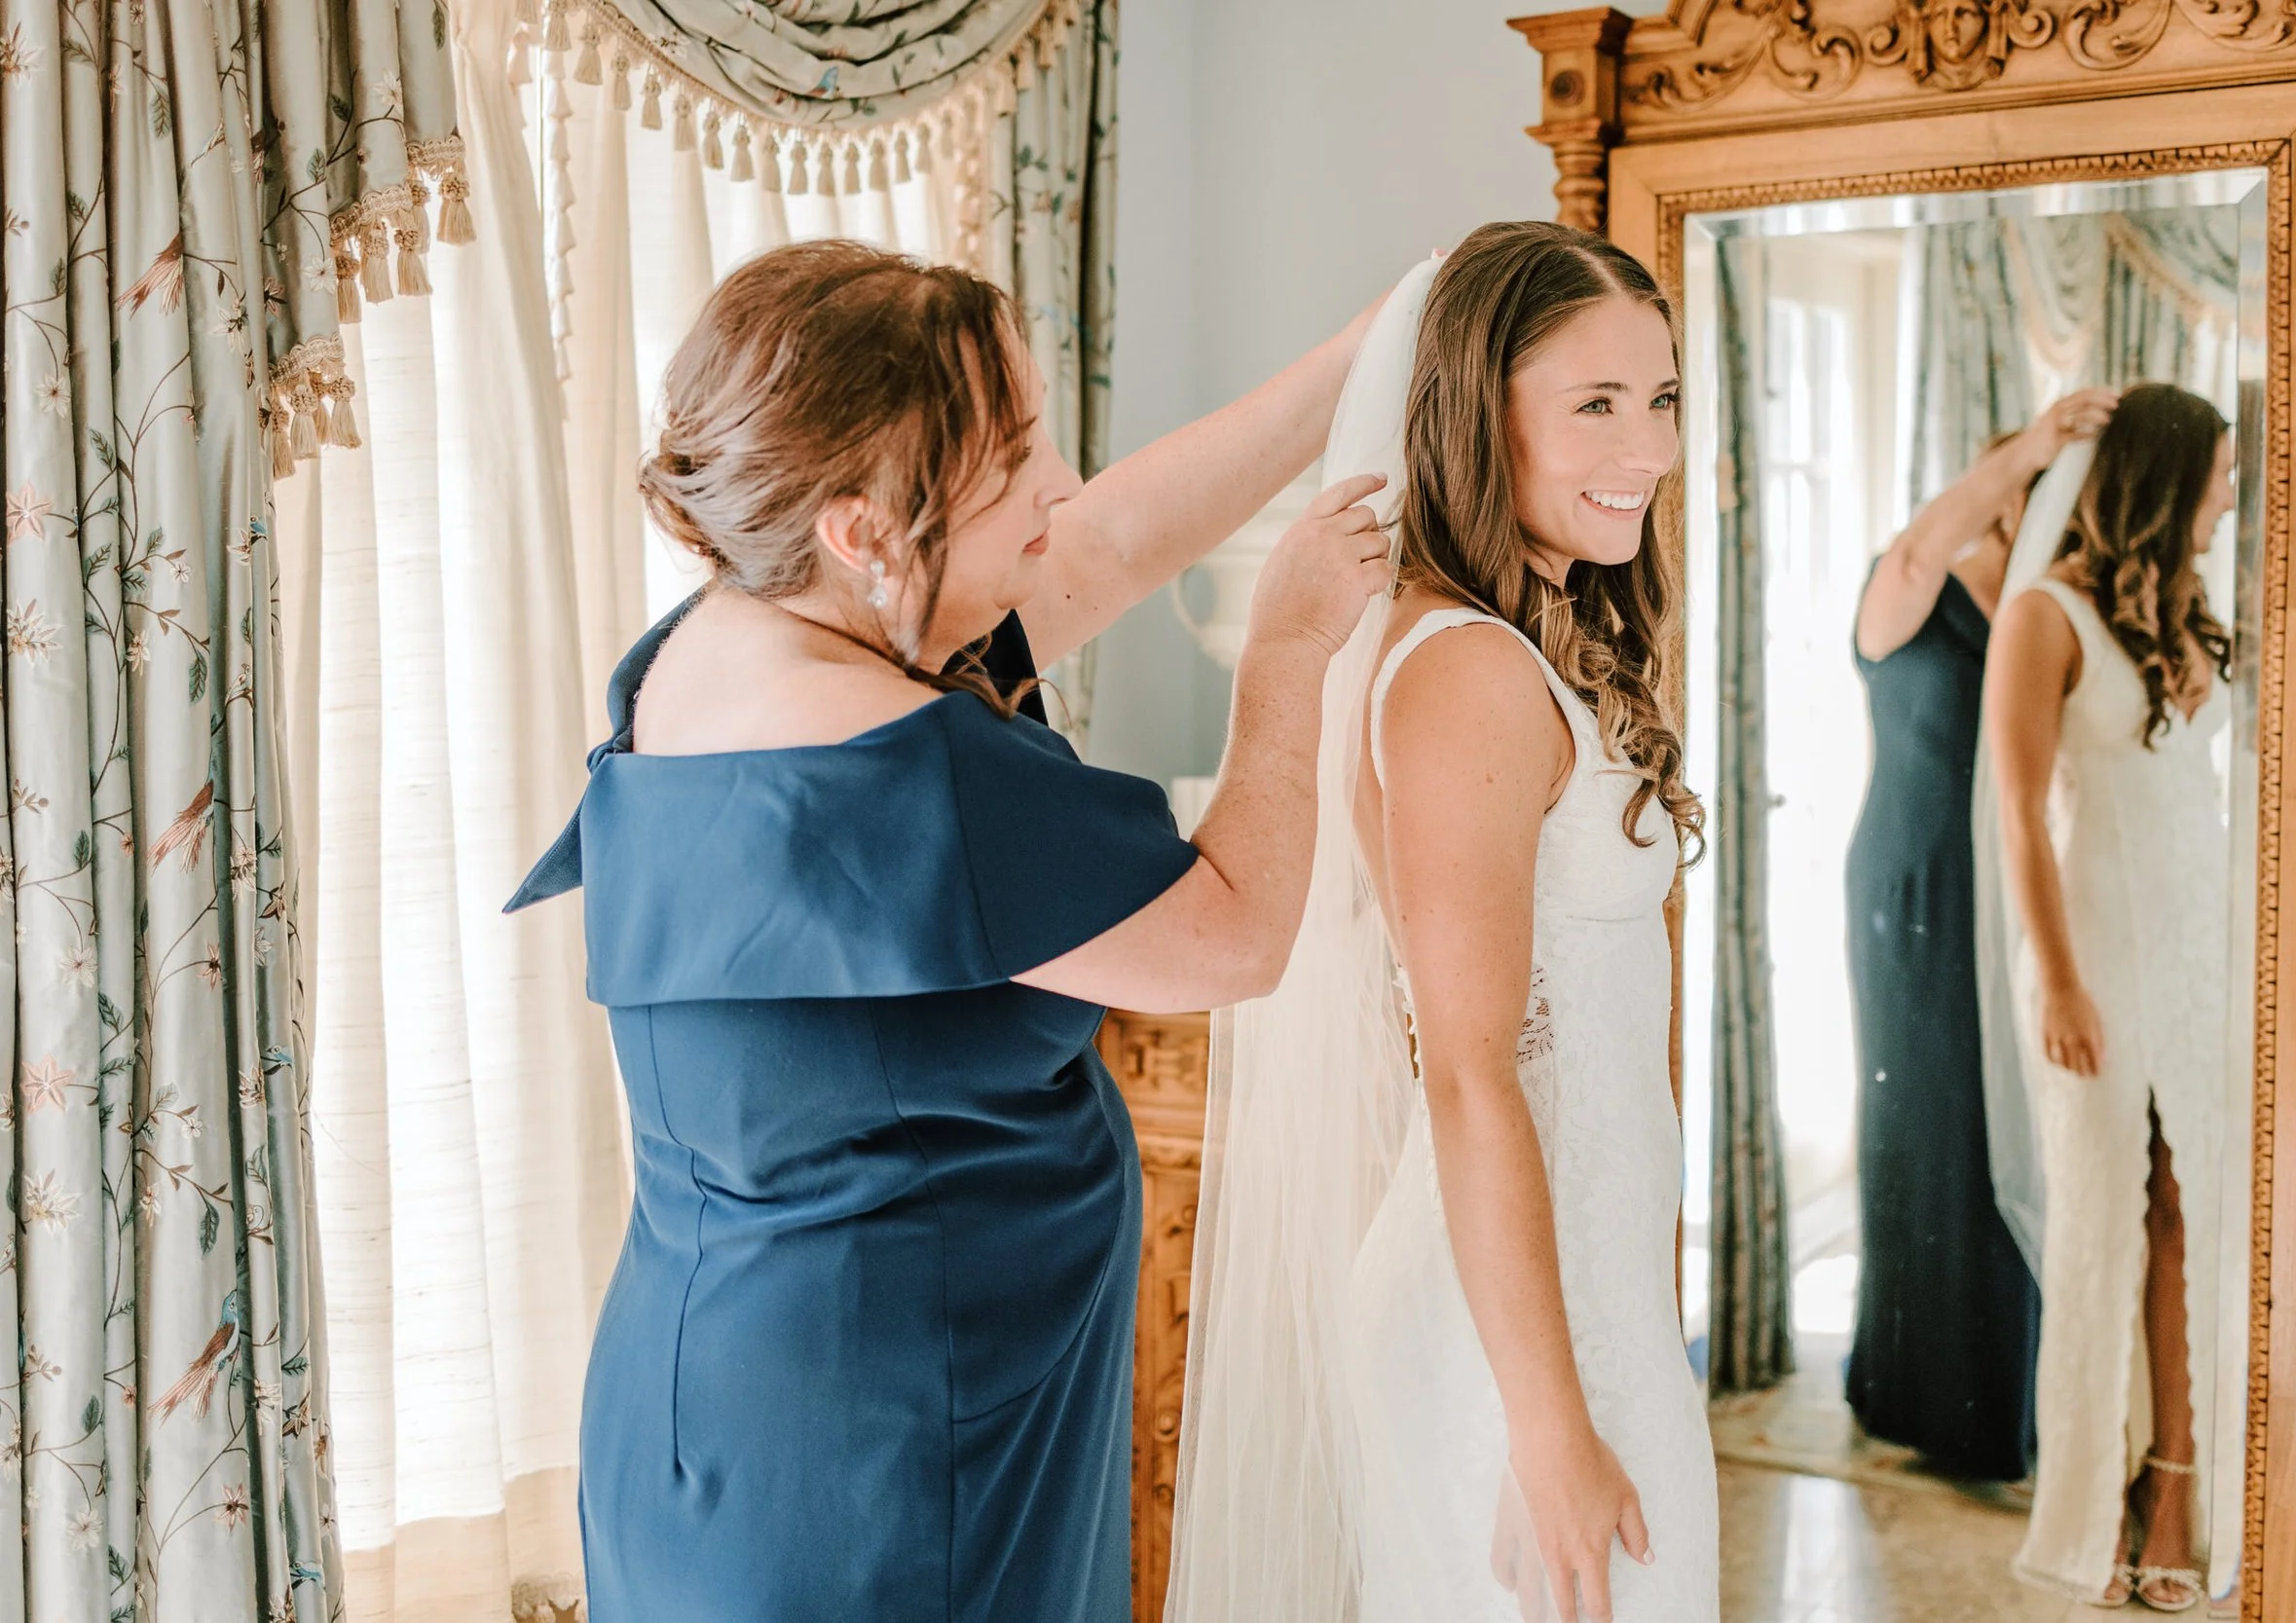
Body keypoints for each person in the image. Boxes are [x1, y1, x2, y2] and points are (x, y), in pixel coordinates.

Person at [505, 240, 1396, 1622]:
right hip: (896, 1443)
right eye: (1017, 454)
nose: (1057, 483)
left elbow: (1098, 543)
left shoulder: (735, 646)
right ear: (863, 526)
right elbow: (1233, 939)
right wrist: (1287, 651)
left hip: (721, 1393)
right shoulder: (907, 769)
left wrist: (1362, 352)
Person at [1166, 221, 1720, 1623]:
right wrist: (1548, 1428)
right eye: (1594, 403)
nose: (1644, 447)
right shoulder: (1469, 668)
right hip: (1516, 1338)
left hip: (1573, 1291)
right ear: (1482, 416)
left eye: (1658, 398)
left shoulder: (1516, 645)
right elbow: (1472, 1069)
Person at [1982, 382, 2238, 1611]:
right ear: (2164, 478)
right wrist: (2063, 981)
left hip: (2194, 949)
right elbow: (2017, 815)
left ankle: (2176, 1479)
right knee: (2102, 1224)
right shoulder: (2045, 616)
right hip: (2088, 956)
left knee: (2194, 1213)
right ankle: (2092, 1506)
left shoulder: (2186, 612)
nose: (2230, 493)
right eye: (2219, 473)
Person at [1841, 388, 2114, 1481]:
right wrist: (2029, 446)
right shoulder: (1906, 585)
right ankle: (1917, 1397)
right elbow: (1919, 537)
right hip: (1913, 889)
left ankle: (2011, 1399)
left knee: (2019, 1129)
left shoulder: (2047, 602)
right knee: (1926, 1122)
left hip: (2018, 889)